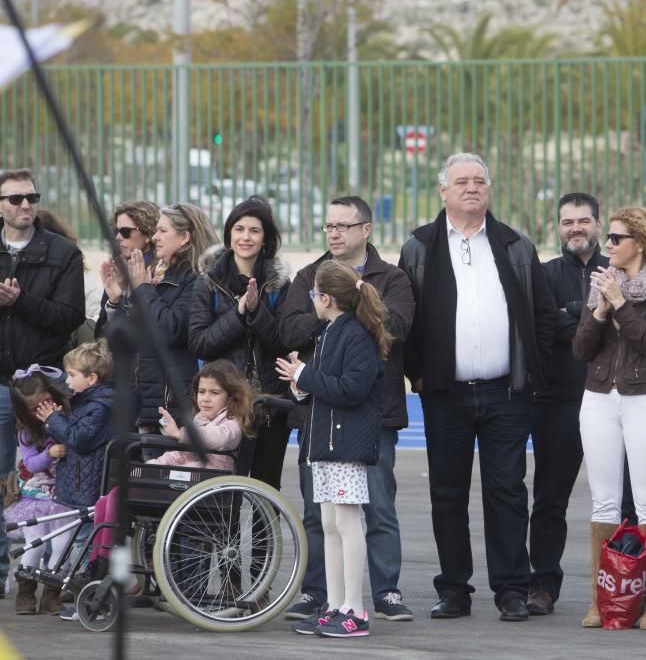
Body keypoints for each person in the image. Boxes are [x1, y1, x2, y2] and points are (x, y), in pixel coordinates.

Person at [398, 152, 555, 622]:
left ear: (489, 189)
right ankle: (453, 590)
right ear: (442, 191)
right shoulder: (419, 247)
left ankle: (511, 589)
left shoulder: (515, 245)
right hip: (444, 394)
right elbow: (406, 317)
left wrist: (532, 370)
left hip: (507, 393)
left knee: (507, 491)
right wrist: (418, 373)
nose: (472, 188)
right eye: (461, 181)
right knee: (447, 493)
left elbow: (542, 317)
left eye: (479, 180)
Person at [281, 196, 416, 623]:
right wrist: (332, 313)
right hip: (320, 419)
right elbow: (288, 327)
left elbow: (397, 326)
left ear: (366, 229)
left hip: (371, 417)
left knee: (375, 507)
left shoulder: (391, 278)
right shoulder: (309, 276)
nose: (335, 233)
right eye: (328, 226)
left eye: (343, 225)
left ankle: (384, 592)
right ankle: (320, 593)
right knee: (321, 513)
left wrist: (345, 311)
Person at [75, 359, 255, 604]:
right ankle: (98, 562)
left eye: (214, 393)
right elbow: (178, 454)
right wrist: (150, 468)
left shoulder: (230, 423)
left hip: (204, 488)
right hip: (185, 485)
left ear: (230, 396)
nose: (206, 398)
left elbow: (218, 439)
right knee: (107, 500)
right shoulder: (200, 419)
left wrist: (180, 433)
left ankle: (109, 568)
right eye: (202, 392)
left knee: (123, 501)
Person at [573, 206, 646, 630]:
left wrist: (619, 303)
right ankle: (603, 599)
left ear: (641, 243)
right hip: (598, 395)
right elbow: (580, 350)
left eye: (617, 238)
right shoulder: (602, 282)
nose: (609, 245)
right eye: (609, 238)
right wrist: (600, 309)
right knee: (603, 500)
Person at [277, 261, 391, 639]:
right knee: (329, 524)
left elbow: (351, 389)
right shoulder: (329, 332)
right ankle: (336, 605)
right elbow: (325, 386)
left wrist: (304, 376)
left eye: (314, 295)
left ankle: (355, 611)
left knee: (346, 522)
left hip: (344, 446)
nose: (312, 301)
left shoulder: (355, 335)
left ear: (325, 298)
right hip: (324, 445)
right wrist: (300, 384)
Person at [0, 168, 86, 598]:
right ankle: (4, 573)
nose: (26, 205)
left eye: (31, 197)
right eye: (15, 199)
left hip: (41, 385)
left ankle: (44, 576)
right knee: (1, 478)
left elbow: (70, 316)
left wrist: (22, 302)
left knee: (51, 477)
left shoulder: (62, 253)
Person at [528, 192, 607, 616]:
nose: (575, 228)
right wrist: (592, 310)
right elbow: (545, 325)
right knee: (549, 499)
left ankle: (620, 586)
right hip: (557, 402)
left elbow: (620, 326)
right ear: (558, 227)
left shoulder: (617, 270)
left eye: (583, 221)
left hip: (613, 401)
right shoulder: (543, 275)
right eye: (567, 222)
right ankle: (542, 584)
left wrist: (570, 312)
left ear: (598, 223)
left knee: (620, 499)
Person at [187, 197, 291, 488]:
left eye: (254, 230)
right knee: (223, 487)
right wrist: (239, 312)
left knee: (266, 487)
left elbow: (282, 343)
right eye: (239, 228)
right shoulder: (207, 281)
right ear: (229, 234)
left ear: (266, 238)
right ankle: (223, 537)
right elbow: (200, 343)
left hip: (267, 403)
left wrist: (257, 311)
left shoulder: (280, 284)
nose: (246, 237)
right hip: (224, 404)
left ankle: (265, 537)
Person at [106, 203, 219, 431]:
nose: (155, 237)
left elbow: (171, 329)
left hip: (171, 407)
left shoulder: (196, 279)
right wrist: (117, 302)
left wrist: (143, 290)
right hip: (142, 402)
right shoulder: (156, 274)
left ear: (185, 237)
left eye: (162, 231)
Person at [32, 341, 116, 609]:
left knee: (86, 538)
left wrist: (53, 420)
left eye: (72, 375)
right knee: (80, 535)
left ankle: (87, 591)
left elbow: (79, 439)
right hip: (79, 482)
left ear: (91, 378)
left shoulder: (100, 406)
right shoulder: (85, 401)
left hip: (88, 485)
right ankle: (79, 586)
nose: (67, 380)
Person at [6, 366, 75, 615]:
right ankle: (25, 592)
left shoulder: (66, 417)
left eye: (46, 402)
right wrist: (49, 453)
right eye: (34, 408)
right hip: (36, 496)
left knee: (62, 545)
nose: (42, 410)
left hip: (64, 495)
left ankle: (51, 594)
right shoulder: (26, 431)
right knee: (34, 545)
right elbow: (31, 463)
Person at [95, 201, 160, 337]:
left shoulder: (159, 271)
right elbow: (101, 336)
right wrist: (113, 302)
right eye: (116, 231)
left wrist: (129, 293)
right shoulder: (117, 267)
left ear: (148, 235)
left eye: (125, 232)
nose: (118, 237)